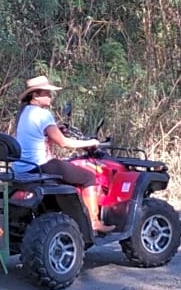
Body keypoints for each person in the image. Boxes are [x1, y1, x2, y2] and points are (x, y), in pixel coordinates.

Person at [13, 75, 114, 235]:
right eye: (46, 93)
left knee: (65, 166)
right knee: (89, 178)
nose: (50, 96)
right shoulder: (43, 114)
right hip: (41, 166)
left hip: (22, 168)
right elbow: (63, 143)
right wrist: (90, 142)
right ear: (35, 96)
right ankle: (94, 222)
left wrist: (56, 128)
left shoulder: (23, 113)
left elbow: (38, 137)